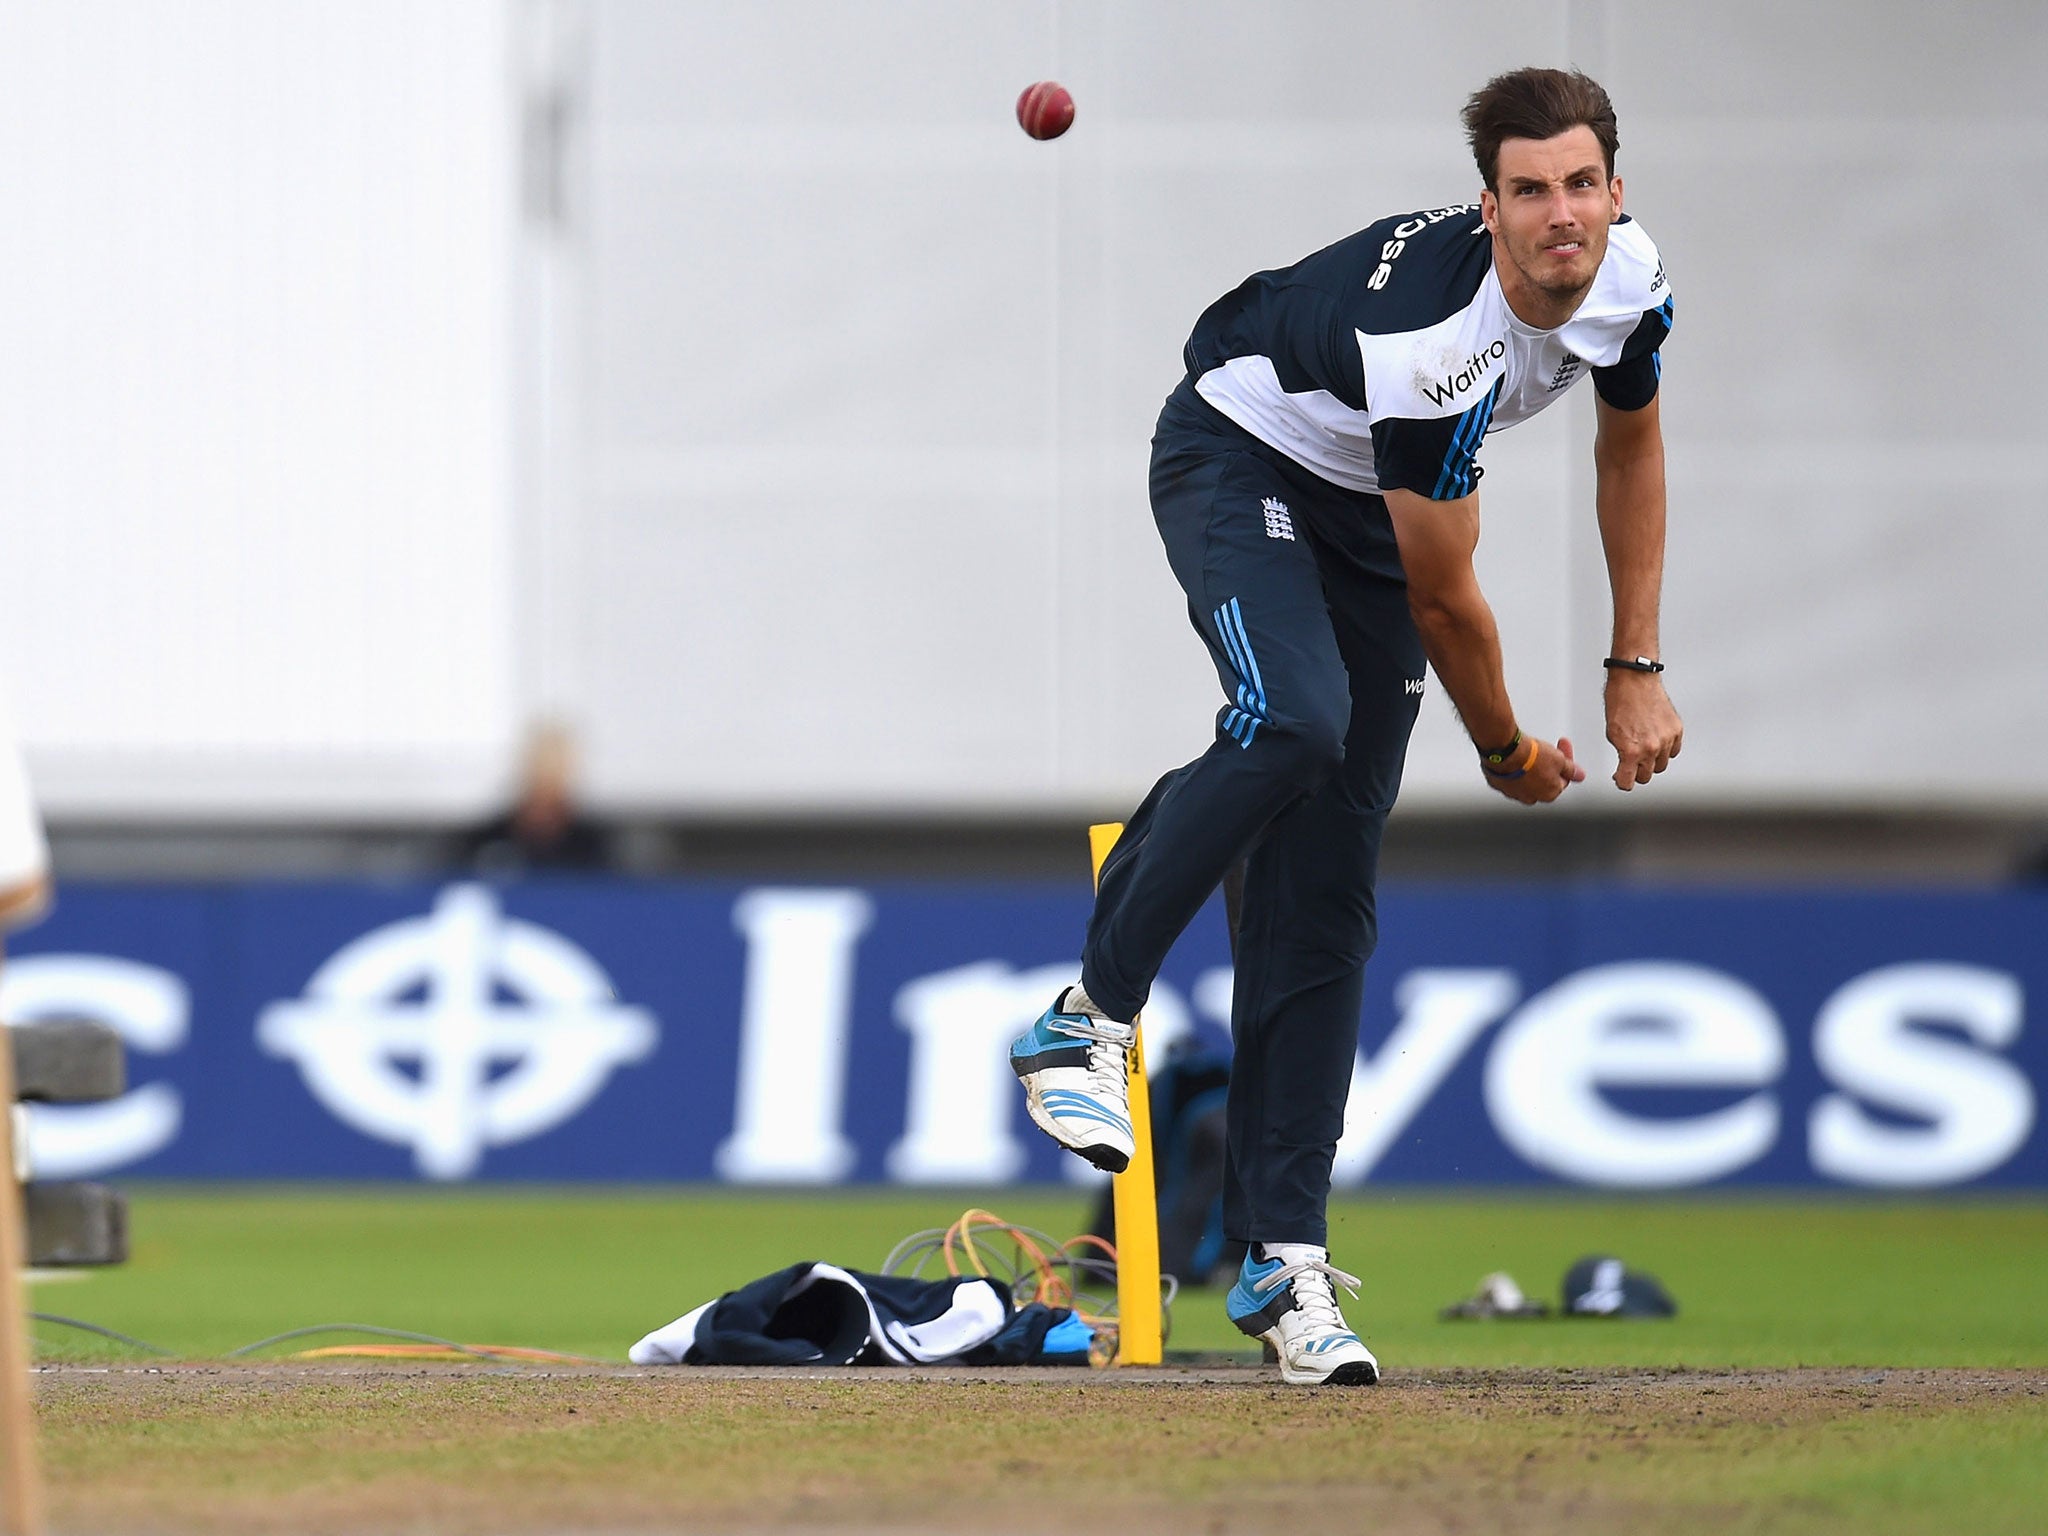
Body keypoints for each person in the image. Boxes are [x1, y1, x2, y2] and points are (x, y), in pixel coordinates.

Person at [1009, 67, 1684, 1386]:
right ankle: (1085, 1019)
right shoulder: (1438, 338)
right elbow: (1445, 594)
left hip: (1371, 513)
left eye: (1583, 186)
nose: (1563, 216)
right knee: (1294, 722)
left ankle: (1283, 1262)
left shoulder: (1632, 280)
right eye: (1531, 190)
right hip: (1240, 454)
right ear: (1487, 207)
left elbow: (1632, 448)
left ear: (1616, 191)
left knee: (1326, 887)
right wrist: (1502, 749)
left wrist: (1635, 662)